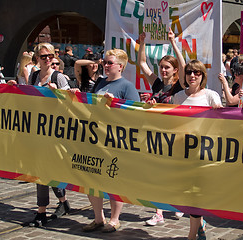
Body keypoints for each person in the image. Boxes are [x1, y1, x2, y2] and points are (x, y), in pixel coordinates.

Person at [8, 43, 71, 227]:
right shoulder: (35, 75)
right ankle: (59, 203)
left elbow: (71, 102)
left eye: (51, 56)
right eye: (44, 56)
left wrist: (57, 93)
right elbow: (29, 97)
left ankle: (44, 210)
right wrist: (15, 88)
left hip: (54, 131)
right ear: (37, 58)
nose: (48, 59)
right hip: (38, 129)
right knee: (41, 170)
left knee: (47, 170)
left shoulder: (58, 77)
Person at [82, 48, 139, 233]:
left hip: (115, 140)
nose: (105, 65)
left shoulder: (127, 86)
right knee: (92, 178)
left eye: (109, 63)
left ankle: (115, 219)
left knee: (114, 180)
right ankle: (98, 218)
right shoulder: (99, 82)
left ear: (121, 66)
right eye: (104, 62)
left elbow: (135, 114)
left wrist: (115, 105)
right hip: (95, 137)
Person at [136, 29, 184, 225]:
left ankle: (178, 203)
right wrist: (142, 43)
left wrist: (173, 42)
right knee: (158, 173)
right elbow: (142, 64)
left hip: (176, 134)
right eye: (161, 67)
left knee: (174, 173)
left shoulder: (179, 85)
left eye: (167, 68)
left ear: (174, 70)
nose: (163, 70)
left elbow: (184, 65)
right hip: (157, 134)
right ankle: (159, 213)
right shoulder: (156, 84)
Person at [173, 59, 222, 240]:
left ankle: (192, 234)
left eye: (197, 72)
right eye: (189, 72)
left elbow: (222, 123)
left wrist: (218, 112)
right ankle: (199, 223)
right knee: (187, 193)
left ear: (203, 75)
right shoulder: (178, 97)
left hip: (204, 152)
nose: (192, 76)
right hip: (182, 152)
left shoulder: (211, 95)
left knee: (196, 193)